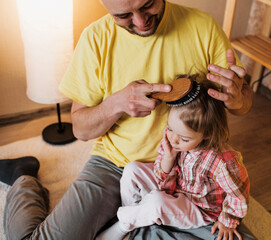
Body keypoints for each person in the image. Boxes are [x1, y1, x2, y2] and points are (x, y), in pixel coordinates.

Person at [1, 0, 254, 239]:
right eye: (123, 15)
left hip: (190, 171)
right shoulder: (95, 39)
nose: (141, 21)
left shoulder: (203, 27)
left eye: (148, 5)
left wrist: (237, 99)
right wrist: (115, 104)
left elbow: (242, 106)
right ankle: (24, 178)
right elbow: (80, 129)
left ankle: (142, 224)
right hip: (115, 164)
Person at [96, 78, 250, 240]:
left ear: (207, 134)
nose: (174, 140)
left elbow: (239, 195)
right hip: (175, 187)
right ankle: (135, 217)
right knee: (132, 169)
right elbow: (162, 177)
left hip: (198, 207)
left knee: (157, 201)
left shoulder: (221, 161)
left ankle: (124, 224)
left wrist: (228, 221)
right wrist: (168, 159)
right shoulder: (173, 138)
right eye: (170, 129)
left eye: (184, 139)